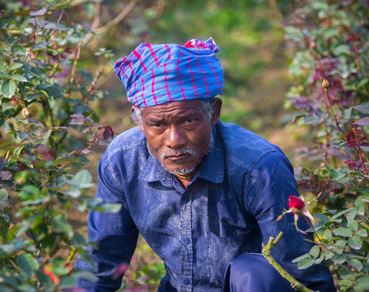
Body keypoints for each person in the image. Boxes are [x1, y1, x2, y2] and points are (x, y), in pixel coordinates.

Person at [74, 38, 335, 292]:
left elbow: (303, 273)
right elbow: (100, 264)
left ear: (214, 113)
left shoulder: (258, 168)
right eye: (158, 125)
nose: (174, 141)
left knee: (253, 272)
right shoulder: (122, 161)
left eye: (188, 121)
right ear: (140, 122)